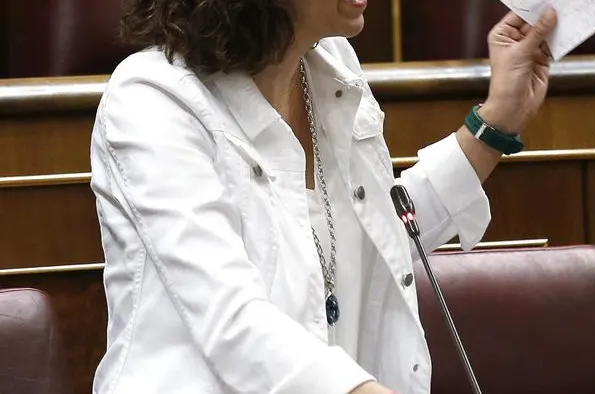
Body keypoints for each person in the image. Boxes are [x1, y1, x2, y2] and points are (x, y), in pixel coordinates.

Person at [89, 0, 557, 393]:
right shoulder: (151, 99)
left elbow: (372, 234)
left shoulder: (330, 66)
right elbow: (230, 318)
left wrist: (494, 124)